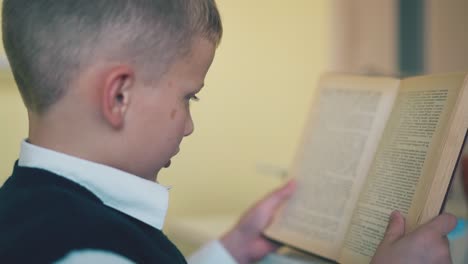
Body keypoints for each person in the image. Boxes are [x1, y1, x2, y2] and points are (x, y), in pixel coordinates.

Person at [0, 0, 456, 263]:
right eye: (188, 97)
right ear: (119, 96)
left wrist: (230, 249)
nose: (190, 124)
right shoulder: (86, 253)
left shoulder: (27, 209)